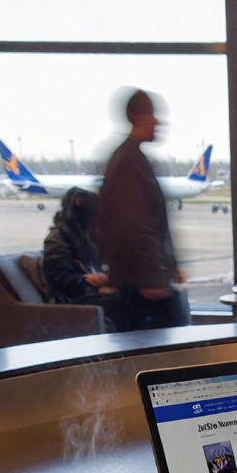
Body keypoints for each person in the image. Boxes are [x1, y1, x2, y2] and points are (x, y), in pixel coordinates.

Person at [92, 89, 188, 330]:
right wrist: (151, 278)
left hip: (139, 279)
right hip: (140, 285)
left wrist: (170, 264)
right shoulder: (129, 162)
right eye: (151, 114)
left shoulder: (131, 158)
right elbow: (134, 224)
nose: (157, 121)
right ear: (135, 116)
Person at [41, 187, 125, 331]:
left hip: (90, 292)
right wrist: (89, 280)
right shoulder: (57, 240)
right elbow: (62, 281)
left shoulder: (84, 238)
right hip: (74, 299)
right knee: (129, 301)